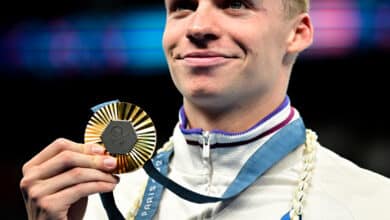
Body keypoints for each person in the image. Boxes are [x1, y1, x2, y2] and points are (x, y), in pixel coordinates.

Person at [20, 0, 390, 219]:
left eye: (235, 3)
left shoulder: (375, 205)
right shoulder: (91, 205)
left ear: (298, 32)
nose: (198, 25)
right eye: (182, 6)